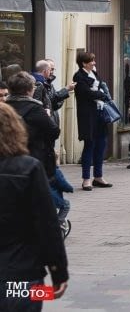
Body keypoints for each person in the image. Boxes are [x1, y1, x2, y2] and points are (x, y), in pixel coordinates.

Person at [0, 102, 69, 308]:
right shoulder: (28, 168)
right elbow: (47, 224)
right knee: (29, 296)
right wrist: (58, 273)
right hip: (21, 276)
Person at [6, 71, 59, 180]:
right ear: (29, 90)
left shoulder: (4, 108)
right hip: (32, 157)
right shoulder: (36, 109)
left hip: (6, 158)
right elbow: (54, 131)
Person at [72, 51, 113, 191]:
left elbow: (100, 87)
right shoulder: (79, 76)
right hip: (88, 116)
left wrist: (100, 92)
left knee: (101, 145)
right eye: (91, 61)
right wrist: (101, 94)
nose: (94, 63)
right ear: (84, 63)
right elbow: (86, 93)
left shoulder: (93, 74)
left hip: (100, 113)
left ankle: (98, 177)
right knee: (89, 145)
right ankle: (86, 179)